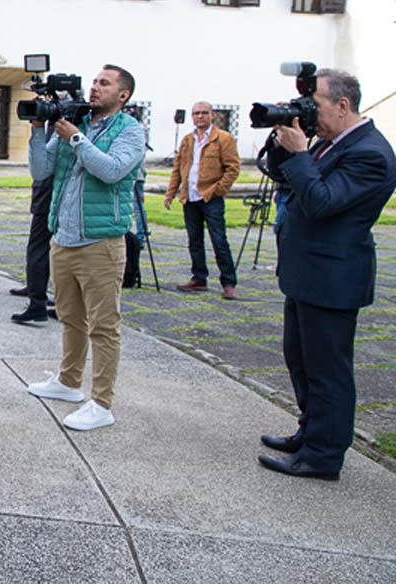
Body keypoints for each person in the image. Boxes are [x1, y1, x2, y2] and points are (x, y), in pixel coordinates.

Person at [258, 69, 396, 481]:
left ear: (342, 104)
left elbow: (321, 203)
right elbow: (285, 177)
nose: (308, 113)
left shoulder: (370, 153)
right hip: (306, 273)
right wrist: (283, 145)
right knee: (300, 361)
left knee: (328, 372)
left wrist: (301, 154)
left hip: (333, 278)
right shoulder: (329, 141)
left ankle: (322, 456)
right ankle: (310, 432)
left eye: (313, 104)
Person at [25, 65, 146, 431]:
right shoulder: (74, 121)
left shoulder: (130, 130)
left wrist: (76, 138)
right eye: (94, 82)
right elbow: (41, 170)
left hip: (100, 241)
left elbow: (111, 170)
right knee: (70, 317)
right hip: (63, 237)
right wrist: (38, 130)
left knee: (104, 326)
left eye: (104, 84)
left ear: (123, 95)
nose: (94, 88)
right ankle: (68, 381)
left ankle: (102, 403)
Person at [164, 101, 241, 299]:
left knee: (219, 240)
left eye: (204, 113)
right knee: (194, 240)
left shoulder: (223, 138)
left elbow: (233, 168)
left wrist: (219, 189)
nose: (200, 116)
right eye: (196, 113)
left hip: (211, 197)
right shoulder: (187, 140)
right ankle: (199, 278)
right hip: (190, 197)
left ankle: (228, 282)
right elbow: (178, 168)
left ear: (212, 115)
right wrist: (171, 193)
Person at [10, 174, 56, 322]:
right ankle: (64, 304)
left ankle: (37, 303)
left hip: (48, 192)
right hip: (60, 194)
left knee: (38, 249)